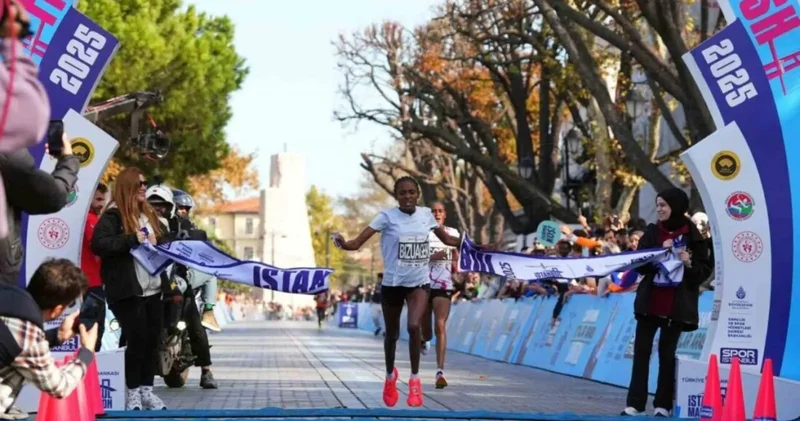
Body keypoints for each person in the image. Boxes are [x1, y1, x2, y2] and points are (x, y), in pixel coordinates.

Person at [332, 176, 463, 408]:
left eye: (411, 192)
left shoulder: (426, 215)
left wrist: (471, 245)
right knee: (391, 335)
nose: (407, 196)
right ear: (397, 196)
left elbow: (447, 239)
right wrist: (342, 242)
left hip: (419, 283)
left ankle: (414, 380)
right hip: (393, 283)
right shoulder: (386, 217)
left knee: (414, 326)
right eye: (402, 193)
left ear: (418, 194)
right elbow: (357, 243)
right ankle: (390, 377)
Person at [621, 188, 711, 417]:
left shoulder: (695, 236)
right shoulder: (652, 232)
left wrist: (688, 262)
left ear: (677, 207)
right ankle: (635, 404)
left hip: (677, 306)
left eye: (663, 205)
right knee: (641, 351)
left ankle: (663, 405)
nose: (659, 209)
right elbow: (638, 263)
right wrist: (657, 254)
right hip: (650, 303)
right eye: (657, 204)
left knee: (667, 354)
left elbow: (702, 272)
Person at [91, 168, 174, 410]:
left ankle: (147, 391)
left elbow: (169, 241)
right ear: (127, 186)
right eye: (139, 184)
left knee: (151, 341)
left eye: (145, 183)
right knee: (137, 340)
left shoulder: (150, 215)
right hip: (127, 291)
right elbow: (99, 244)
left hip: (154, 289)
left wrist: (161, 241)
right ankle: (133, 393)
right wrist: (131, 239)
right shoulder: (113, 216)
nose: (143, 187)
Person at [0, 259, 98, 418]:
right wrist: (86, 353)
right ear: (57, 310)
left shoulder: (7, 295)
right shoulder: (29, 334)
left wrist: (57, 336)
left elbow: (12, 342)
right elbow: (59, 386)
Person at [146, 184, 218, 389]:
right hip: (150, 283)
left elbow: (201, 251)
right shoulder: (143, 224)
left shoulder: (185, 229)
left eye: (183, 209)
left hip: (178, 282)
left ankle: (206, 371)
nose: (180, 211)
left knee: (195, 325)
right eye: (154, 206)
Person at [420, 201, 459, 389]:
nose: (436, 213)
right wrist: (437, 255)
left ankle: (440, 372)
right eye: (433, 211)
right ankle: (422, 339)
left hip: (444, 283)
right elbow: (413, 256)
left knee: (440, 324)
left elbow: (458, 256)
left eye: (440, 211)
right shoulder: (421, 233)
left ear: (445, 214)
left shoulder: (453, 233)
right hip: (422, 283)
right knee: (426, 331)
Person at [171, 188, 221, 332]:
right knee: (211, 271)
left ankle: (208, 311)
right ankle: (208, 312)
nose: (183, 212)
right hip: (170, 280)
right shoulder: (165, 225)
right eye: (180, 208)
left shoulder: (188, 227)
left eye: (186, 209)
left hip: (177, 278)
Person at [80, 183, 108, 352]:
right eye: (98, 199)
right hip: (91, 283)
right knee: (94, 331)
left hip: (93, 282)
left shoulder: (94, 219)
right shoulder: (89, 220)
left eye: (103, 200)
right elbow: (98, 247)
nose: (101, 204)